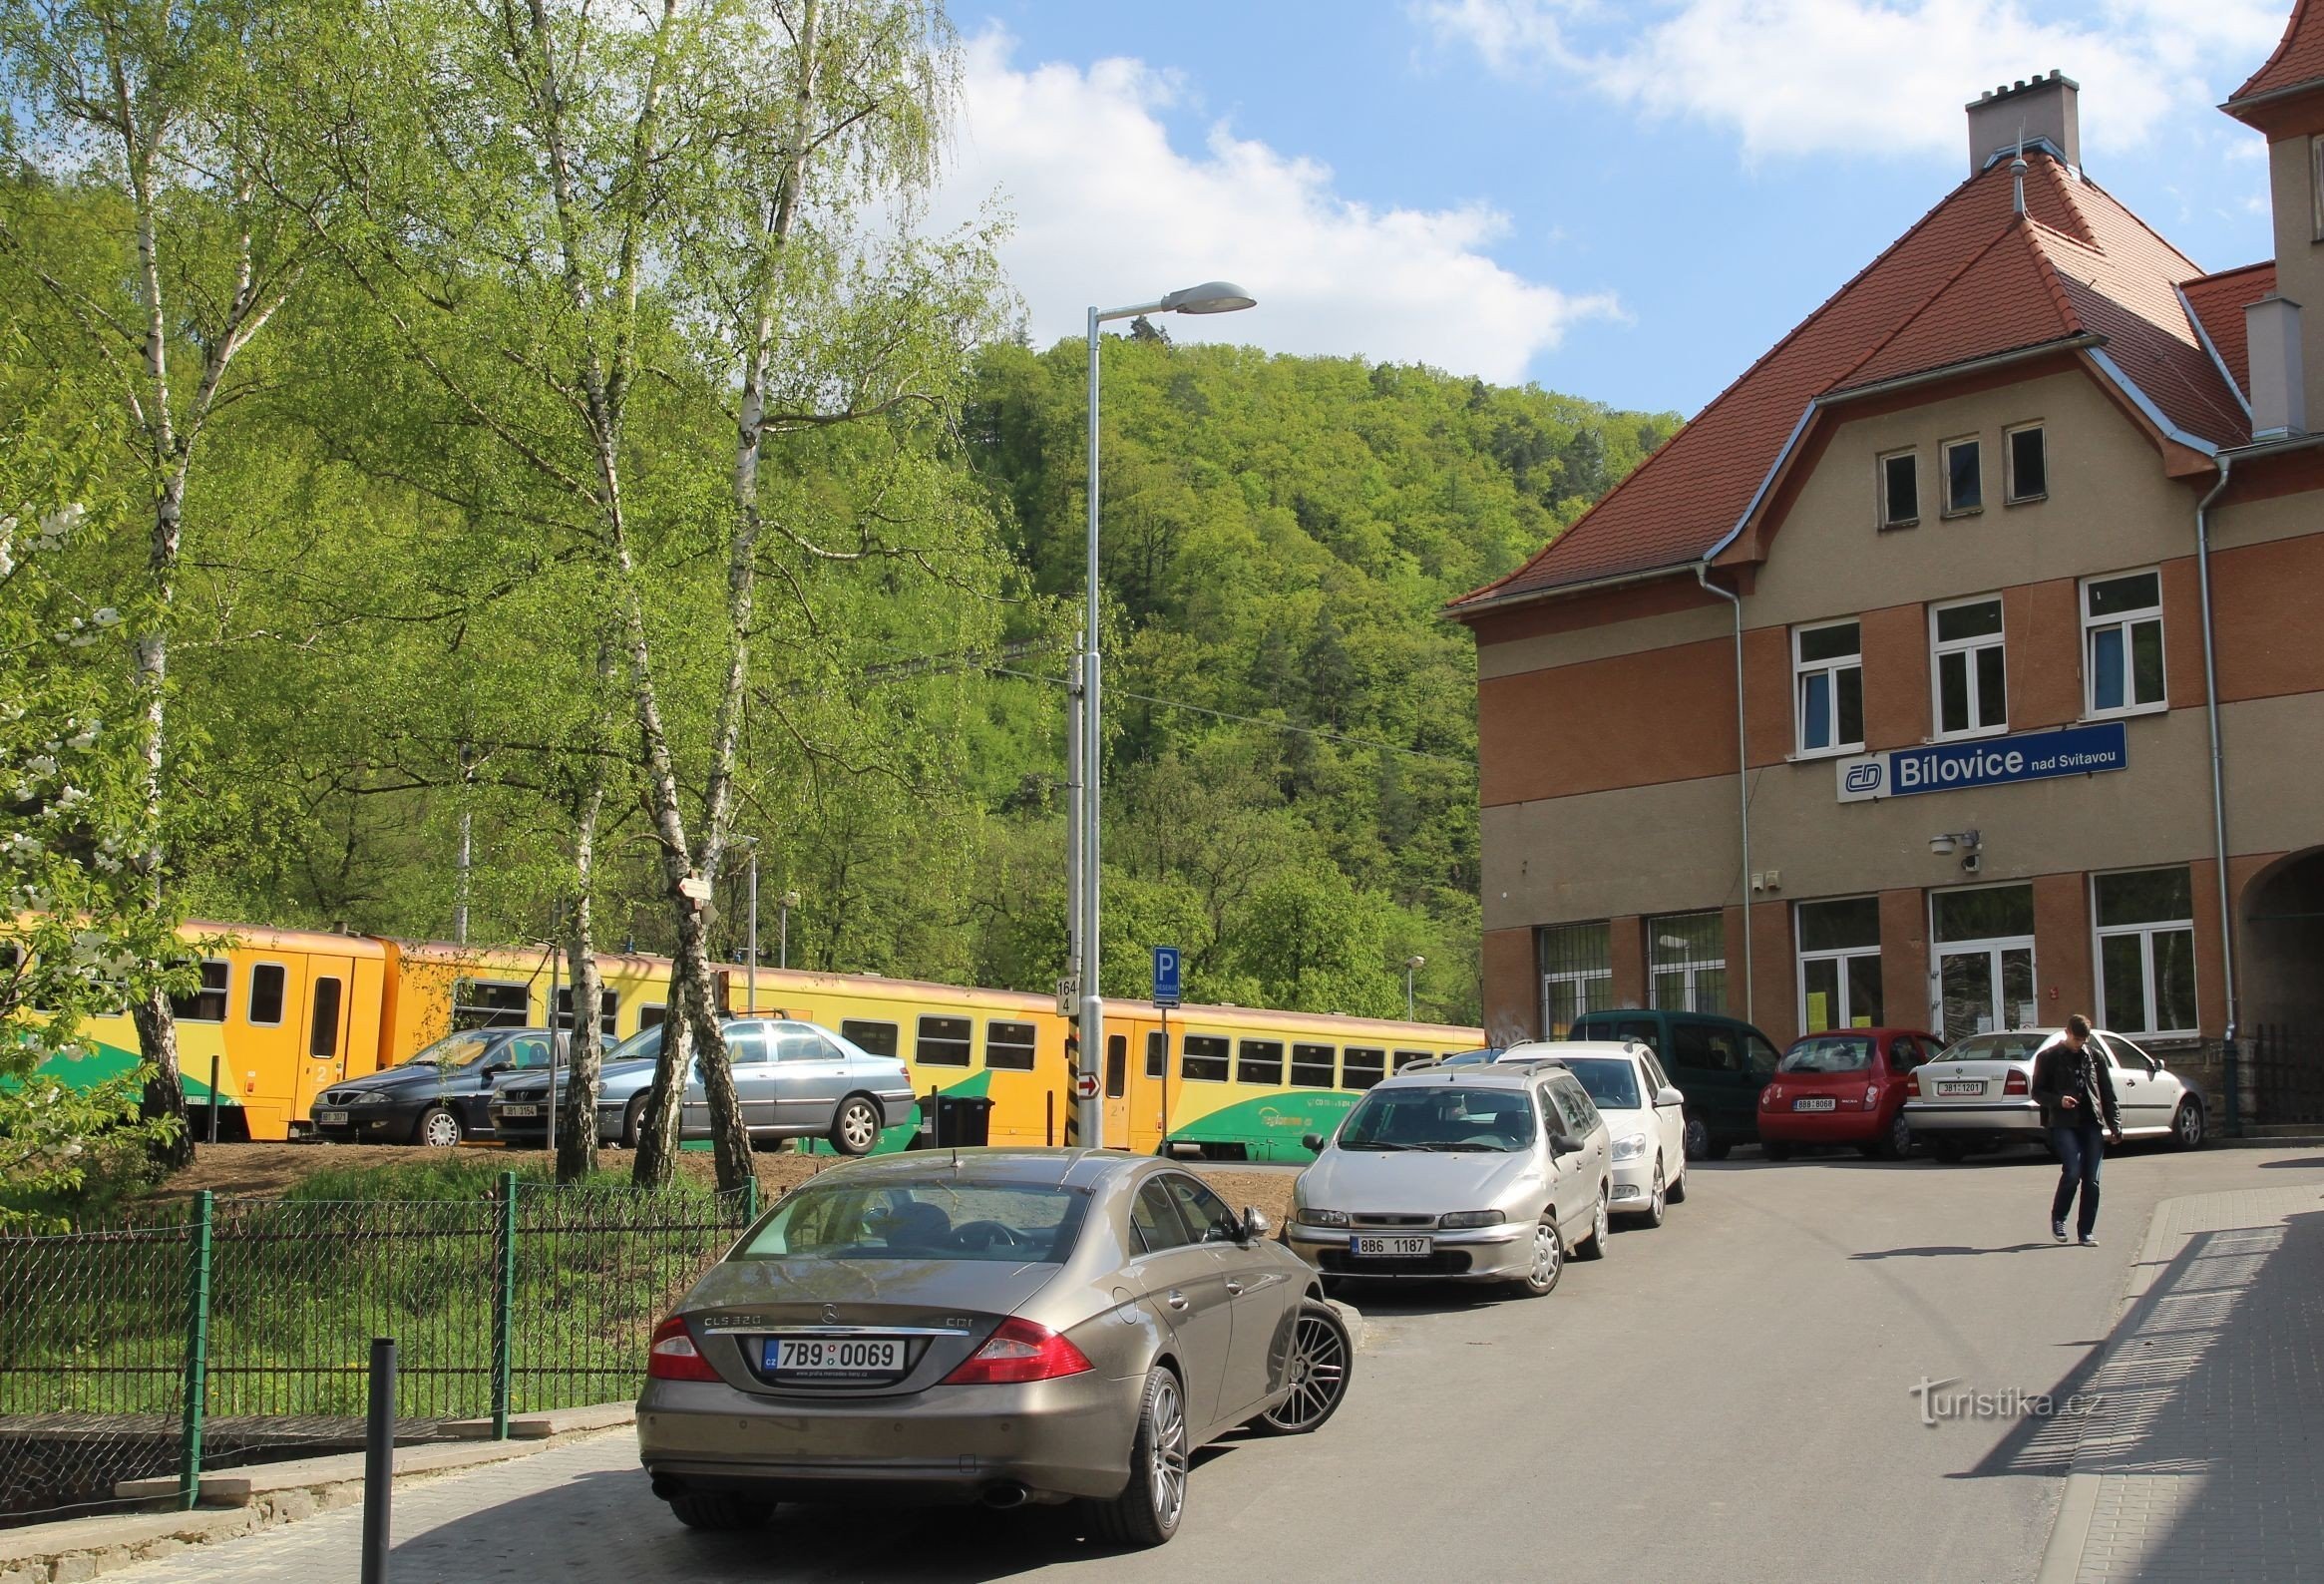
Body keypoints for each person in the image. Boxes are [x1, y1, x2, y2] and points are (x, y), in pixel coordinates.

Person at [2030, 1014, 2123, 1246]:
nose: (2080, 1044)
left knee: (2092, 1179)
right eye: (2077, 1039)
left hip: (2091, 1122)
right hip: (2063, 1122)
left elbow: (2107, 1092)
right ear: (2067, 1032)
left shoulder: (2094, 1057)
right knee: (2072, 1172)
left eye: (2084, 1040)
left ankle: (2086, 1232)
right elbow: (2037, 1092)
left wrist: (2115, 1124)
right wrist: (2059, 1100)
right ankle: (2059, 1218)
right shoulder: (2048, 1057)